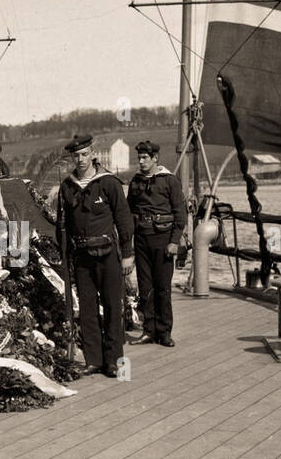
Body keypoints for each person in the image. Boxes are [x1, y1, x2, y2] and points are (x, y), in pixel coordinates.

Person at [56, 134, 134, 377]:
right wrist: (64, 257)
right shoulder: (67, 187)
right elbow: (63, 225)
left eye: (84, 154)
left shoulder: (108, 183)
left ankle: (113, 361)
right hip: (82, 257)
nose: (80, 159)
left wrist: (128, 255)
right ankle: (94, 360)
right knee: (88, 309)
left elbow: (124, 220)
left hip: (108, 254)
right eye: (76, 156)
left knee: (112, 306)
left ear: (93, 154)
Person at [127, 140, 188, 346]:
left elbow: (181, 214)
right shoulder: (136, 181)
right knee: (145, 288)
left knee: (163, 287)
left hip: (163, 240)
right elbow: (129, 211)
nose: (141, 162)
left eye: (145, 158)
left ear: (155, 158)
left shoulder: (169, 181)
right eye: (139, 158)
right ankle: (148, 330)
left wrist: (174, 242)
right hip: (142, 240)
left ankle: (164, 332)